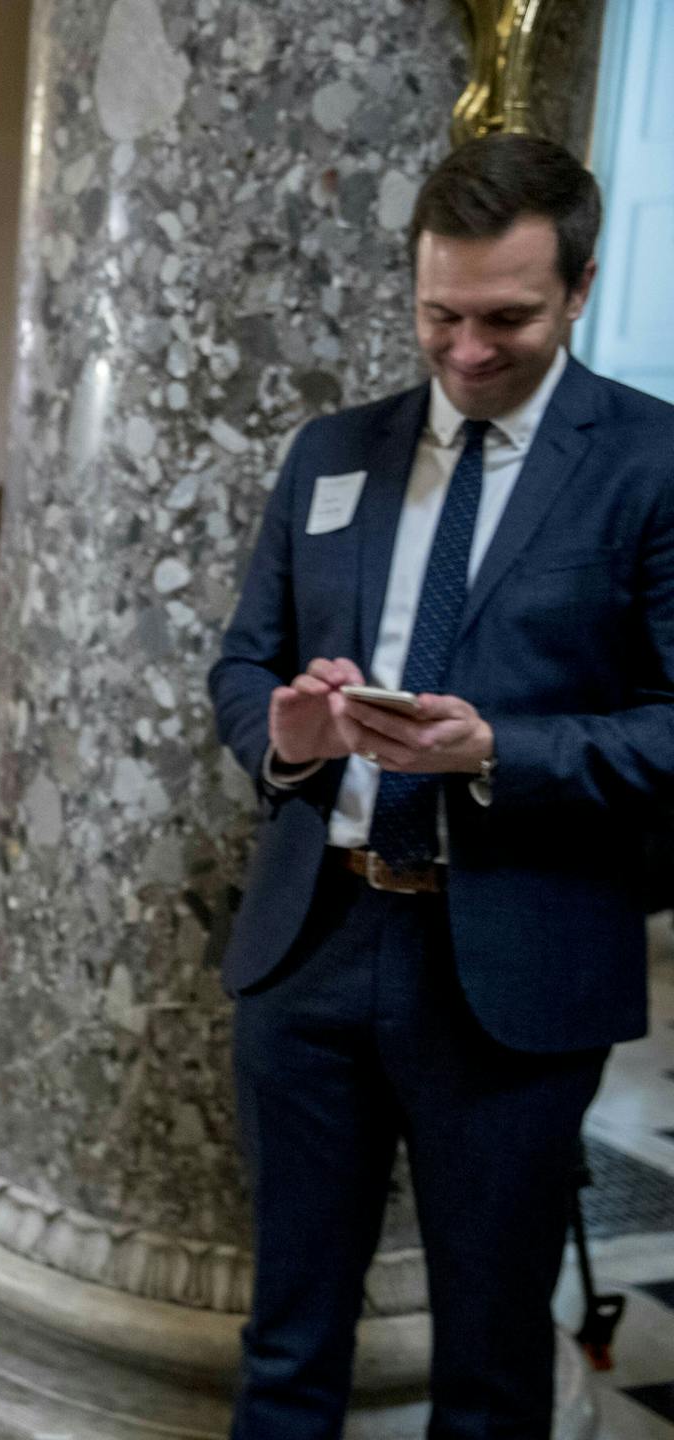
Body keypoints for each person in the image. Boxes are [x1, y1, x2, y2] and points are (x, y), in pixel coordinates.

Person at [209, 133, 674, 1438]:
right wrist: (291, 735)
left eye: (507, 319)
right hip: (314, 941)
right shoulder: (333, 452)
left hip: (518, 964)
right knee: (287, 1338)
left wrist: (497, 753)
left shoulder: (650, 464)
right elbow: (243, 662)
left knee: (488, 1358)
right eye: (439, 315)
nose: (467, 351)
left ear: (580, 289)